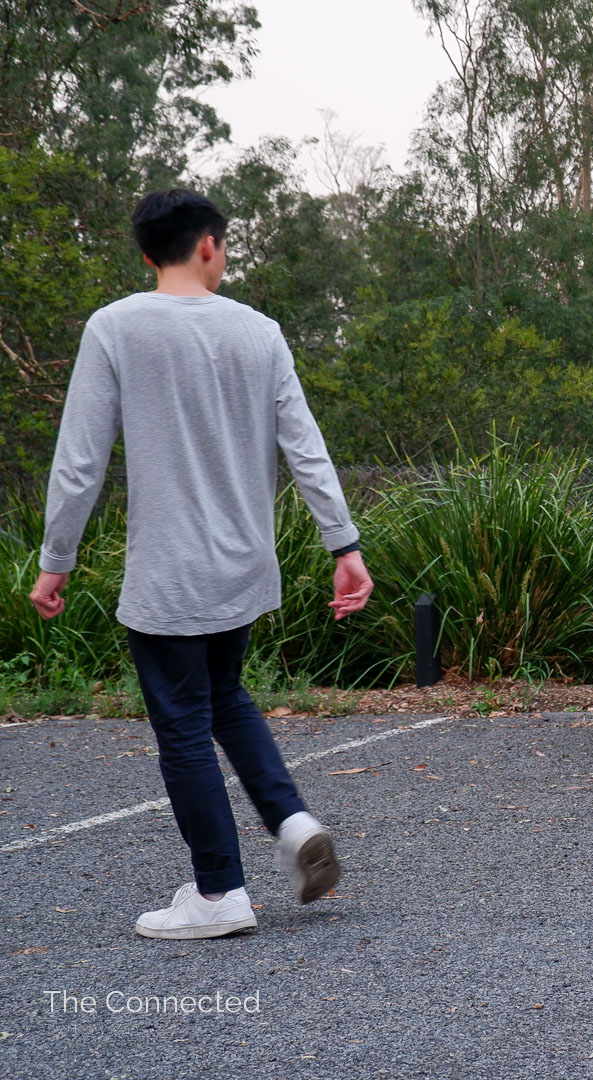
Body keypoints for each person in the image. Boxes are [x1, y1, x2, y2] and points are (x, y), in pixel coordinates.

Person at [26, 189, 374, 940]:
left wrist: (57, 559)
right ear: (208, 244)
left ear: (147, 252)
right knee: (223, 696)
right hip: (242, 568)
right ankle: (293, 823)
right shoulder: (260, 333)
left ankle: (219, 892)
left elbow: (80, 461)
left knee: (183, 722)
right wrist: (343, 547)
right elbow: (306, 449)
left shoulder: (116, 327)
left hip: (169, 574)